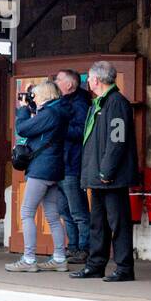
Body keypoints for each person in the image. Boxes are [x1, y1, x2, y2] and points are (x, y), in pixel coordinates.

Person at [71, 61, 139, 283]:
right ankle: (95, 265)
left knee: (118, 223)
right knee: (97, 223)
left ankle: (124, 268)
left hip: (111, 177)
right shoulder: (97, 103)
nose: (87, 82)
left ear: (97, 80)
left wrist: (106, 171)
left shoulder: (116, 103)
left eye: (89, 78)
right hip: (98, 176)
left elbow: (117, 141)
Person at [7, 80, 68, 272]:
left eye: (36, 95)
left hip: (41, 169)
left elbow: (23, 129)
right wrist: (31, 106)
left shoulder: (49, 113)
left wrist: (24, 110)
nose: (34, 98)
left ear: (46, 95)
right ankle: (59, 258)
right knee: (52, 215)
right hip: (53, 168)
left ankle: (29, 259)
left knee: (26, 213)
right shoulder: (57, 111)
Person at [53, 70, 91, 265]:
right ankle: (73, 247)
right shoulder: (63, 103)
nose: (55, 82)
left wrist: (58, 128)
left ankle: (85, 249)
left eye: (58, 79)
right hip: (60, 164)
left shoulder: (80, 104)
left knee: (78, 212)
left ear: (69, 84)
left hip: (72, 163)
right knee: (64, 211)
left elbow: (81, 131)